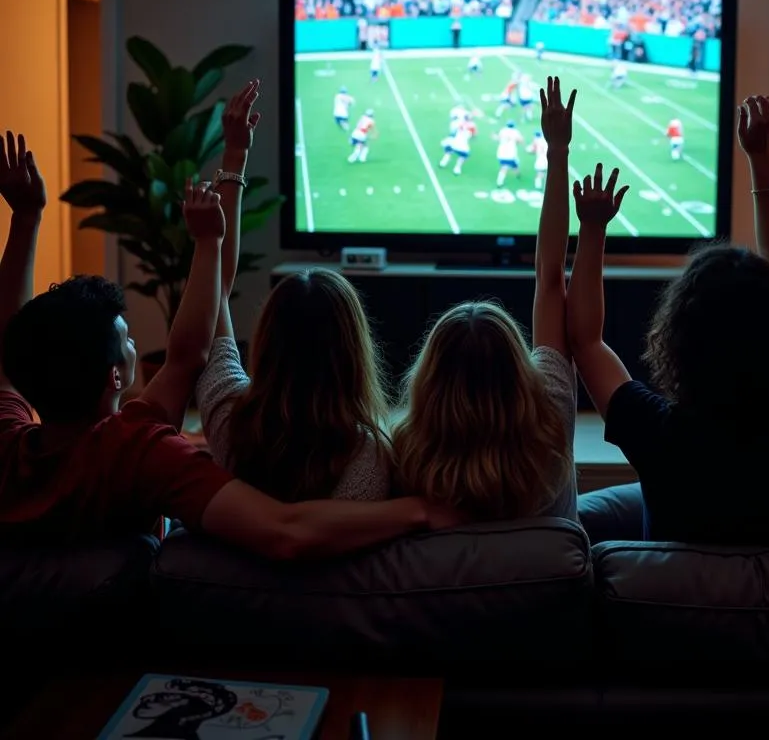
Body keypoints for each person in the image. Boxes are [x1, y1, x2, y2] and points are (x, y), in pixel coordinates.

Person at [0, 125, 458, 556]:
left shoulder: (7, 439)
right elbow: (284, 531)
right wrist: (417, 509)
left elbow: (11, 346)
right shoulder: (141, 452)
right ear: (115, 374)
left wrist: (25, 219)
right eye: (128, 338)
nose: (138, 342)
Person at [569, 96, 769, 545]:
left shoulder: (660, 430)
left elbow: (584, 341)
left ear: (679, 338)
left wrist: (593, 228)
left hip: (678, 607)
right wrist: (761, 158)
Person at [391, 76, 578, 522]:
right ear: (519, 368)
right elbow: (551, 281)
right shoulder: (552, 420)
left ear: (428, 377)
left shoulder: (403, 451)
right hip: (550, 587)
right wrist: (559, 153)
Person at [197, 83, 391, 502]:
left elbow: (217, 293)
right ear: (354, 349)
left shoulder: (227, 419)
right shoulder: (372, 457)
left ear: (267, 340)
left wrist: (234, 158)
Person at [495, 120, 523, 187]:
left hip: (501, 152)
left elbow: (498, 138)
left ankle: (517, 174)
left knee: (514, 164)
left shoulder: (503, 130)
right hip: (510, 153)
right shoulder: (516, 132)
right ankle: (499, 182)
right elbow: (520, 141)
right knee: (505, 167)